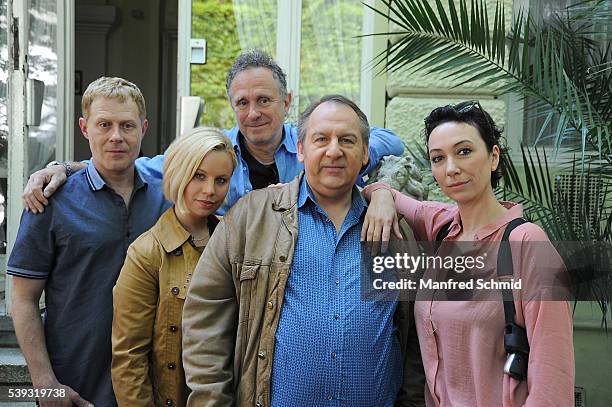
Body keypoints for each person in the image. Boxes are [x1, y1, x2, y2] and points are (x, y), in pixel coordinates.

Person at [181, 94, 425, 407]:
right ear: (300, 149)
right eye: (321, 138)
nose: (333, 150)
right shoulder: (251, 219)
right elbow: (205, 320)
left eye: (347, 140)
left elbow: (418, 337)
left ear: (366, 153)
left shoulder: (396, 231)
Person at [362, 101, 575, 406]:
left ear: (493, 157)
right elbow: (385, 191)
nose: (451, 168)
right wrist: (381, 195)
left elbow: (553, 382)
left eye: (464, 151)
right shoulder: (443, 227)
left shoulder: (527, 243)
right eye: (438, 158)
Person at [21, 50, 404, 215]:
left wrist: (381, 188)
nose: (253, 113)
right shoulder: (211, 151)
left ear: (286, 101)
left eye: (264, 100)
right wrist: (65, 168)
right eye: (242, 103)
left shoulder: (315, 144)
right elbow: (139, 167)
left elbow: (391, 141)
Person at [7, 77, 168, 406]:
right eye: (104, 124)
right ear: (84, 127)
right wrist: (44, 383)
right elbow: (23, 300)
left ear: (144, 128)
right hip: (75, 383)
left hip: (148, 386)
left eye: (127, 125)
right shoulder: (51, 199)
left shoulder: (166, 196)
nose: (116, 137)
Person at [111, 127, 236, 407]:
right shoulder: (147, 253)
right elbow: (128, 359)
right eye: (199, 176)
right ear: (179, 173)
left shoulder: (235, 242)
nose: (210, 190)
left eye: (221, 180)